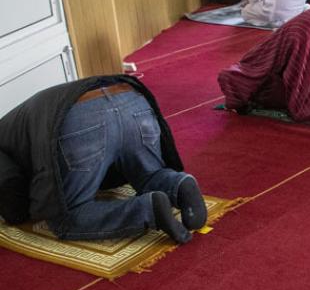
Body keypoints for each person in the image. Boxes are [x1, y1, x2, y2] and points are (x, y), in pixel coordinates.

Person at [0, 77, 205, 244]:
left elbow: (10, 189)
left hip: (80, 120)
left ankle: (148, 209)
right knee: (148, 173)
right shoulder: (11, 121)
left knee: (66, 217)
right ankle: (179, 185)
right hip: (130, 98)